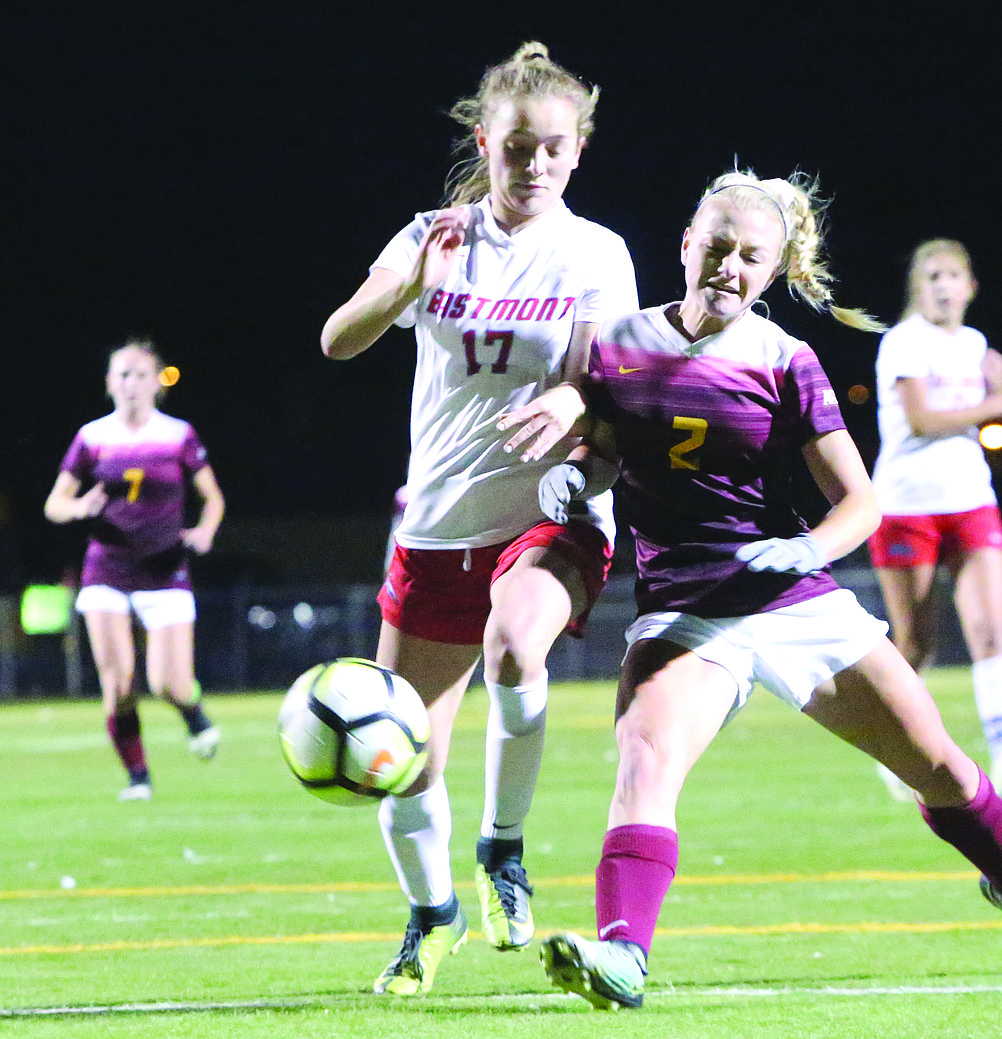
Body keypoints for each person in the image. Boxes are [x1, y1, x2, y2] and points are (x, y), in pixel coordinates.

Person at [531, 171, 1002, 1011]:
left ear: (771, 270)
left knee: (936, 761)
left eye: (750, 256)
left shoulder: (783, 358)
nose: (728, 265)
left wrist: (802, 550)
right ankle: (623, 957)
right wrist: (576, 481)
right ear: (686, 244)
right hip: (684, 609)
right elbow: (610, 445)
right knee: (644, 760)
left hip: (792, 599)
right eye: (716, 246)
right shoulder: (616, 341)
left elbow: (861, 503)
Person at [319, 42, 638, 996]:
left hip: (553, 507)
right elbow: (338, 339)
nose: (534, 164)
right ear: (483, 140)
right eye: (517, 147)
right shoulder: (432, 233)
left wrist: (576, 410)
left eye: (553, 148)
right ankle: (432, 917)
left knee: (515, 646)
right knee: (400, 756)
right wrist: (410, 277)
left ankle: (503, 847)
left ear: (577, 151)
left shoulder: (596, 252)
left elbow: (605, 386)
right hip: (437, 523)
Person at [867, 239, 1002, 803]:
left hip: (971, 499)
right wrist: (999, 402)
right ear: (917, 290)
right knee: (916, 643)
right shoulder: (902, 342)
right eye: (932, 277)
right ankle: (893, 753)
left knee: (991, 629)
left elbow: (986, 422)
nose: (943, 286)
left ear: (971, 286)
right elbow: (920, 420)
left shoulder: (975, 345)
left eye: (953, 276)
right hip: (904, 506)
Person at [44, 339, 224, 800]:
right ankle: (138, 778)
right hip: (106, 570)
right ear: (109, 383)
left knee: (168, 682)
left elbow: (214, 499)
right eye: (122, 374)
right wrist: (80, 506)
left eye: (140, 374)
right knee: (118, 683)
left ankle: (192, 712)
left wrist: (204, 531)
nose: (131, 383)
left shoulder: (178, 434)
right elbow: (54, 505)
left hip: (166, 571)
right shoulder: (92, 436)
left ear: (157, 384)